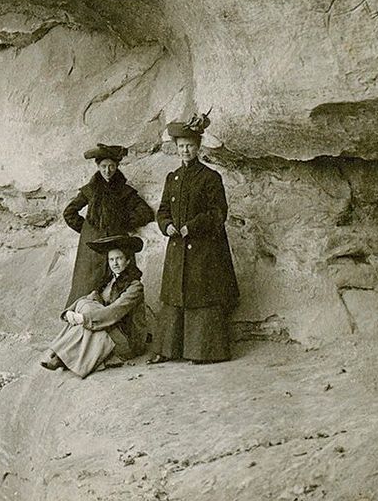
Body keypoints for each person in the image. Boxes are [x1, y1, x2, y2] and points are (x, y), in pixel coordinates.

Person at [151, 113, 240, 364]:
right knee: (174, 298)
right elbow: (163, 210)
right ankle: (168, 350)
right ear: (176, 149)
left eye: (190, 146)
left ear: (198, 147)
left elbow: (218, 213)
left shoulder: (211, 177)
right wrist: (166, 226)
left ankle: (203, 352)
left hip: (203, 250)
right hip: (178, 248)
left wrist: (194, 226)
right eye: (181, 147)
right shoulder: (172, 178)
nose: (185, 150)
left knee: (201, 298)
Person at [41, 235, 147, 378]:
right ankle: (61, 356)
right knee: (84, 304)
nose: (115, 263)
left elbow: (114, 311)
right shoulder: (109, 281)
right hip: (108, 328)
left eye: (119, 259)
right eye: (111, 259)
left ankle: (60, 356)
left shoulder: (135, 287)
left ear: (128, 261)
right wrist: (70, 313)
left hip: (126, 339)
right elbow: (91, 298)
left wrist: (83, 318)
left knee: (88, 320)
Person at [62, 144, 153, 307]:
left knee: (117, 287)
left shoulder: (124, 191)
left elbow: (145, 212)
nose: (107, 170)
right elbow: (69, 213)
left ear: (117, 167)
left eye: (111, 166)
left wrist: (122, 223)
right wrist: (88, 229)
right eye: (103, 166)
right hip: (91, 250)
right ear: (97, 167)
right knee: (87, 287)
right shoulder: (90, 190)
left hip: (117, 245)